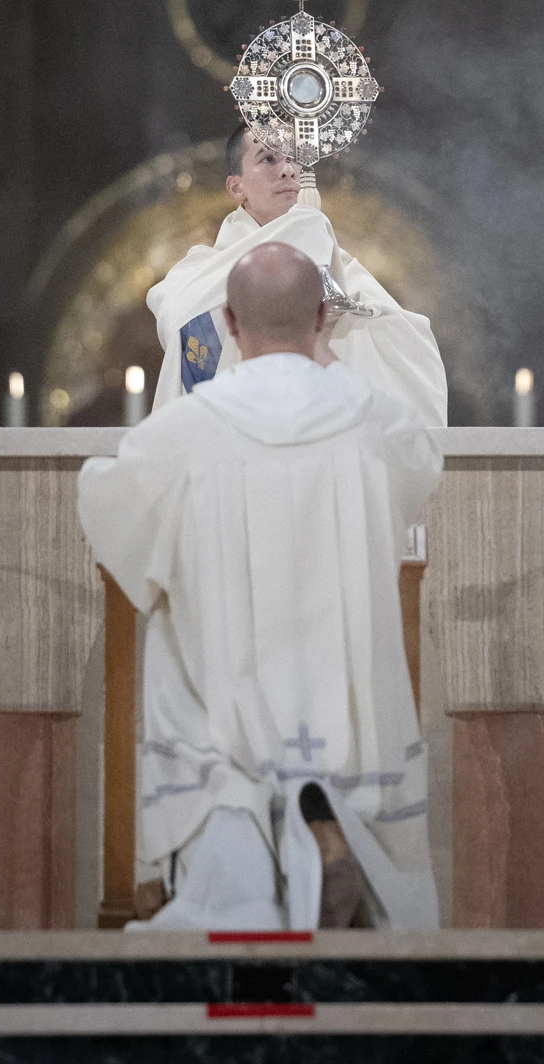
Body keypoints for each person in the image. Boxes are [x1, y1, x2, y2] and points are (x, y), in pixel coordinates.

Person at [79, 243, 442, 930]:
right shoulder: (373, 421)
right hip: (342, 718)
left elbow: (108, 506)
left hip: (231, 717)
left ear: (229, 323)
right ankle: (326, 829)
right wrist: (329, 364)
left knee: (171, 646)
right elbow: (421, 469)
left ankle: (240, 877)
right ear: (322, 318)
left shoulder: (188, 429)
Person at [146, 126, 446, 426]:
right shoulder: (199, 269)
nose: (289, 171)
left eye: (293, 159)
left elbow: (409, 343)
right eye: (268, 160)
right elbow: (180, 322)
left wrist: (349, 317)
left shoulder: (344, 268)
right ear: (236, 187)